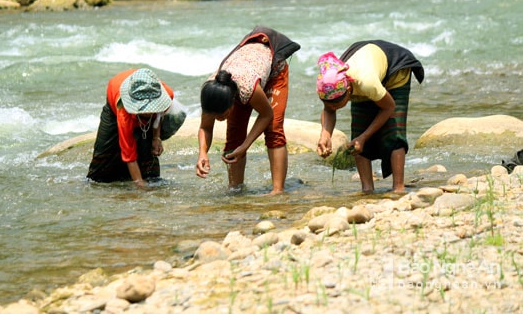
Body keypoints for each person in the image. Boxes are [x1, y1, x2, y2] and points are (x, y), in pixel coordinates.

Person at [196, 26, 301, 195]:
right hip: (243, 71)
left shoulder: (248, 89)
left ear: (232, 103)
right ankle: (235, 190)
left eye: (222, 116)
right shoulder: (212, 92)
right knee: (234, 137)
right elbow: (205, 127)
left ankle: (278, 191)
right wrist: (202, 153)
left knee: (274, 129)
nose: (219, 120)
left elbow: (267, 115)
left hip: (274, 70)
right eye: (215, 117)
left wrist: (245, 146)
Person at [316, 40, 424, 194]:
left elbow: (389, 107)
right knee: (357, 135)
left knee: (394, 133)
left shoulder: (366, 82)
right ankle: (367, 190)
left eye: (337, 104)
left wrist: (365, 137)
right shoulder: (329, 84)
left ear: (348, 90)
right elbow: (329, 110)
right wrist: (325, 135)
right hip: (370, 65)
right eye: (329, 104)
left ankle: (398, 188)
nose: (333, 107)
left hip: (395, 71)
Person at [87, 68, 174, 190]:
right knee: (101, 167)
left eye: (152, 108)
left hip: (144, 117)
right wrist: (140, 184)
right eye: (146, 110)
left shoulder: (167, 94)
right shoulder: (123, 111)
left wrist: (156, 137)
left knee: (149, 165)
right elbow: (128, 152)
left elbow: (159, 115)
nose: (149, 112)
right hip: (114, 108)